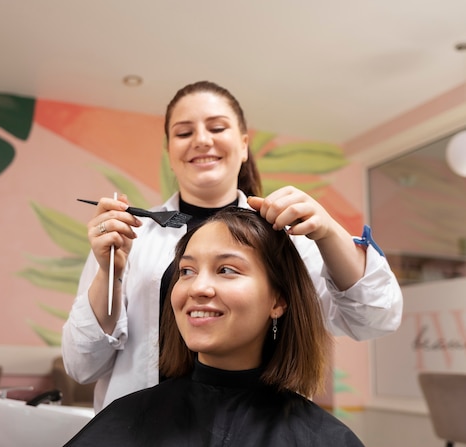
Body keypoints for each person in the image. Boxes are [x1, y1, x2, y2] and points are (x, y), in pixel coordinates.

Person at [62, 80, 402, 412]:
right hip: (145, 430)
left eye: (217, 128)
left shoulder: (285, 235)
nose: (201, 140)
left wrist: (327, 230)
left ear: (243, 146)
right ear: (170, 153)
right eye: (184, 133)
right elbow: (82, 367)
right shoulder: (128, 241)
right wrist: (109, 272)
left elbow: (376, 318)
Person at [65, 208, 365, 446]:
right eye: (187, 271)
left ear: (278, 300)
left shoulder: (325, 438)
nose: (198, 287)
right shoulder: (125, 420)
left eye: (226, 270)